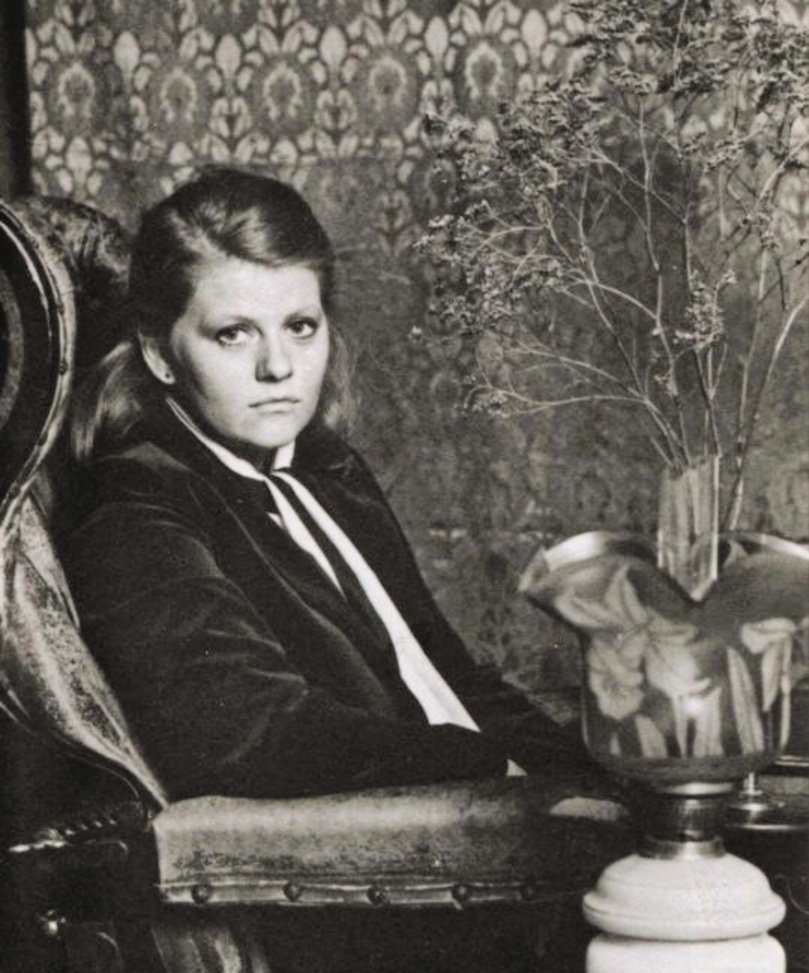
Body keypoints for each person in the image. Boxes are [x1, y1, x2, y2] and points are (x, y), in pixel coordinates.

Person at [63, 167, 583, 804]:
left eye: (300, 326)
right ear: (158, 353)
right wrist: (496, 772)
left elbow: (450, 675)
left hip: (476, 799)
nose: (278, 367)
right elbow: (253, 734)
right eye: (233, 334)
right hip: (391, 828)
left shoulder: (327, 468)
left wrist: (590, 778)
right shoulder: (137, 503)